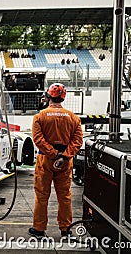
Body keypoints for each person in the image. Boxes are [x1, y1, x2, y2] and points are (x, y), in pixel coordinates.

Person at [29, 83, 83, 239]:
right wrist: (64, 156)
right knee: (65, 197)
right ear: (63, 97)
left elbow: (38, 140)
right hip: (65, 162)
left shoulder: (40, 116)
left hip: (45, 160)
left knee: (41, 196)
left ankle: (39, 229)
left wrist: (53, 154)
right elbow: (78, 141)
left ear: (48, 96)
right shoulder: (73, 117)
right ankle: (66, 230)